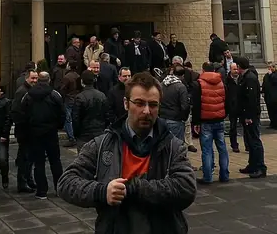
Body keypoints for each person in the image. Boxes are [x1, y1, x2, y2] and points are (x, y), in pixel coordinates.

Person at [57, 71, 197, 233]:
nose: (146, 111)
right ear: (126, 103)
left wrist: (134, 188)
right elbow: (66, 183)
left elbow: (186, 189)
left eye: (152, 105)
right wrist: (102, 191)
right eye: (139, 103)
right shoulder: (102, 145)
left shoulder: (173, 147)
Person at [23, 72, 65, 200]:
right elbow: (62, 112)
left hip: (35, 132)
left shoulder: (29, 95)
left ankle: (41, 191)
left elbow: (23, 111)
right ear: (49, 80)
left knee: (38, 162)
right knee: (55, 161)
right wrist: (57, 125)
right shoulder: (54, 95)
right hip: (51, 132)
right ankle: (59, 188)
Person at [192, 62, 229, 184]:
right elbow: (226, 99)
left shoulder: (199, 84)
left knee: (207, 150)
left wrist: (196, 122)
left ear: (203, 70)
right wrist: (224, 114)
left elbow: (197, 105)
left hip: (205, 120)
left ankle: (208, 176)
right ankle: (224, 175)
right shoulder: (221, 82)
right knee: (222, 148)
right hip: (219, 119)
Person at [236, 56, 266, 178]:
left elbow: (251, 99)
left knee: (255, 141)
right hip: (245, 113)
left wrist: (249, 116)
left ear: (239, 66)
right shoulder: (244, 77)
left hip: (250, 115)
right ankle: (252, 164)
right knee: (250, 140)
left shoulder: (250, 78)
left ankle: (260, 166)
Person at [11, 69, 38, 193]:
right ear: (27, 78)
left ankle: (29, 179)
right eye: (32, 78)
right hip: (24, 130)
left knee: (30, 157)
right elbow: (17, 111)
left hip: (30, 130)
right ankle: (22, 182)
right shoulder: (22, 92)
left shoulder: (31, 91)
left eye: (36, 78)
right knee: (24, 158)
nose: (35, 81)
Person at [73, 70, 108, 151]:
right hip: (99, 134)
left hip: (84, 136)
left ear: (82, 81)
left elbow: (76, 119)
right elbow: (107, 115)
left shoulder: (80, 97)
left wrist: (76, 134)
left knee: (84, 161)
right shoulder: (102, 95)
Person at [159, 65, 191, 142]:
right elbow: (185, 106)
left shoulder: (161, 85)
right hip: (175, 120)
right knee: (177, 147)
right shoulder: (181, 87)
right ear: (182, 75)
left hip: (162, 119)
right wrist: (184, 118)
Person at [60, 64, 81, 148]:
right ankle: (75, 135)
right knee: (75, 117)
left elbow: (63, 89)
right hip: (76, 99)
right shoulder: (78, 76)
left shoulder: (67, 77)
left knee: (68, 119)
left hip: (69, 99)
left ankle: (71, 138)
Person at [262, 62, 277, 130]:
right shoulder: (266, 76)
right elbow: (264, 84)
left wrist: (271, 75)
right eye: (268, 67)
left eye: (270, 67)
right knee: (270, 111)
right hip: (269, 97)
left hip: (276, 97)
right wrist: (263, 91)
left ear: (274, 67)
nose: (269, 69)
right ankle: (272, 123)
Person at [225, 62, 241, 152]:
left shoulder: (242, 79)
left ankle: (247, 145)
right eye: (234, 69)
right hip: (232, 107)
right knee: (233, 127)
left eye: (236, 69)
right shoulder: (227, 80)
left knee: (245, 126)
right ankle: (234, 145)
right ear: (230, 70)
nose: (236, 71)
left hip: (241, 106)